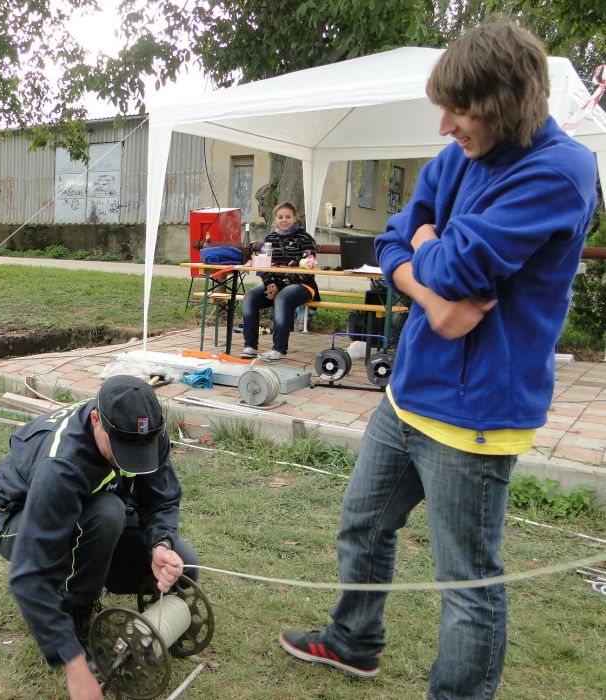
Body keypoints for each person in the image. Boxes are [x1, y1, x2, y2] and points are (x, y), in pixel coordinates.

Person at [279, 22, 598, 697]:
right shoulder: (458, 156)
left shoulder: (561, 171)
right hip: (409, 394)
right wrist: (429, 291)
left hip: (476, 413)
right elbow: (391, 241)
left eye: (460, 110)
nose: (445, 126)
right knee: (363, 524)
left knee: (467, 582)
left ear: (506, 104)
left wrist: (429, 250)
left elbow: (456, 264)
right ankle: (353, 641)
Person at [0, 375, 199, 700]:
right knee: (107, 512)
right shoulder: (62, 464)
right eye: (123, 451)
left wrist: (161, 544)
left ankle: (95, 565)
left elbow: (161, 499)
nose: (132, 459)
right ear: (97, 420)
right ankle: (75, 610)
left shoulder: (145, 433)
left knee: (187, 567)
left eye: (140, 452)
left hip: (93, 508)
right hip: (17, 517)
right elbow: (29, 574)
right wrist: (73, 663)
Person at [240, 202, 320, 360]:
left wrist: (279, 285)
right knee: (249, 297)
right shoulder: (270, 238)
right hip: (274, 284)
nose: (284, 220)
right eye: (280, 217)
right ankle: (250, 346)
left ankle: (279, 349)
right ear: (275, 219)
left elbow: (307, 270)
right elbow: (264, 266)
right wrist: (269, 283)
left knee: (282, 297)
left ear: (295, 218)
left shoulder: (306, 239)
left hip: (303, 285)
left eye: (288, 217)